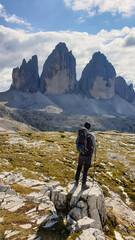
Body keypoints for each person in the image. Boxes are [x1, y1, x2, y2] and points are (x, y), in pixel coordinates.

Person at [75, 122, 97, 190]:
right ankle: (83, 184)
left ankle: (76, 182)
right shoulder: (91, 135)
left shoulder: (80, 134)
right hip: (88, 154)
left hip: (81, 153)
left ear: (84, 126)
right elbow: (95, 146)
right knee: (85, 169)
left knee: (79, 167)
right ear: (89, 128)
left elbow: (76, 142)